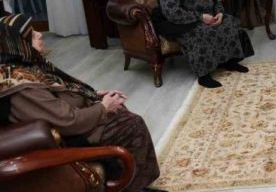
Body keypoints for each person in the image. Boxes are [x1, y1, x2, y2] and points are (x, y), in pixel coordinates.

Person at [0, 13, 161, 192]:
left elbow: (57, 92)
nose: (39, 34)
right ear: (16, 44)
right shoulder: (22, 86)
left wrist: (93, 95)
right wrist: (103, 107)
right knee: (132, 124)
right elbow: (67, 121)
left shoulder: (24, 65)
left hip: (70, 123)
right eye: (31, 35)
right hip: (68, 139)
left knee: (120, 110)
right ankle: (134, 188)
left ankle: (130, 181)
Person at [153, 0, 253, 88]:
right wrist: (200, 17)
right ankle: (204, 75)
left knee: (229, 22)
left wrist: (219, 13)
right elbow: (172, 13)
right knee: (202, 32)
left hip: (208, 16)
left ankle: (230, 61)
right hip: (184, 22)